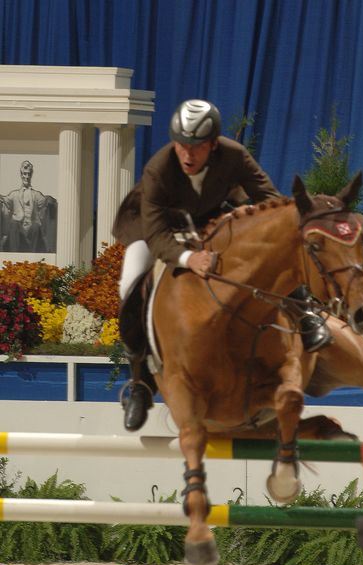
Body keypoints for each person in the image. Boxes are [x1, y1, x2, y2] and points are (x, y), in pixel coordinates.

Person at [112, 99, 330, 431]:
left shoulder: (234, 155)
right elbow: (156, 235)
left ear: (213, 144)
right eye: (182, 145)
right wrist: (189, 258)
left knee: (273, 257)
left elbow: (269, 198)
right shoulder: (159, 169)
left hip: (214, 220)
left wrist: (291, 225)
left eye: (196, 147)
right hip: (158, 228)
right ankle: (140, 385)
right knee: (129, 283)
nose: (187, 155)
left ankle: (306, 313)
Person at [3, 160, 55, 253]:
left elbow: (46, 200)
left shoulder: (36, 194)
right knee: (13, 224)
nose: (26, 177)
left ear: (31, 175)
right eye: (24, 174)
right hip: (18, 227)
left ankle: (33, 257)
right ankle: (14, 256)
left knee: (36, 226)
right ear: (21, 174)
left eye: (28, 174)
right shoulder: (14, 194)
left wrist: (50, 199)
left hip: (31, 228)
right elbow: (4, 200)